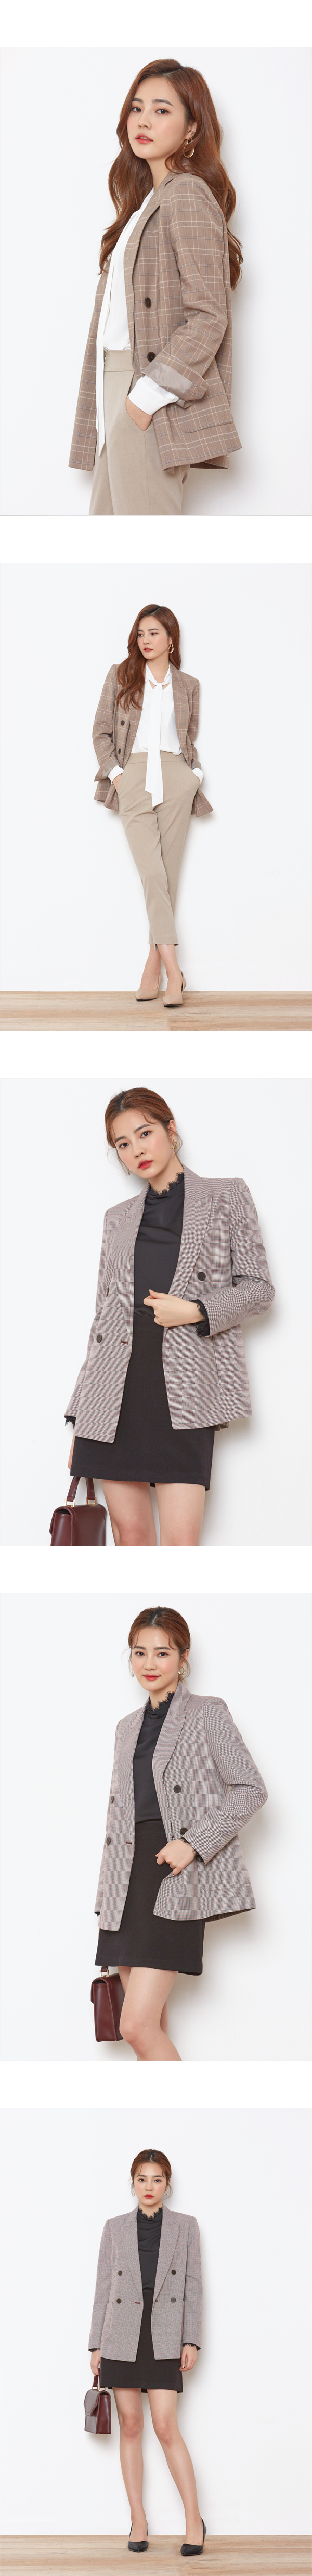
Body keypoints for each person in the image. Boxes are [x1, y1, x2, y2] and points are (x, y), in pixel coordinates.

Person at [65, 1085, 275, 1549]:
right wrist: (82, 1417)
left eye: (145, 1133)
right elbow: (102, 1320)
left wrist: (196, 1310)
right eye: (123, 1143)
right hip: (113, 1396)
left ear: (171, 1130)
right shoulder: (117, 1218)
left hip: (185, 1390)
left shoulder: (226, 1196)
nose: (136, 1150)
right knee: (132, 1538)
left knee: (181, 1544)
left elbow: (260, 1288)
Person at [94, 1604, 268, 2061]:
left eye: (162, 1652)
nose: (149, 1664)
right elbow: (121, 1816)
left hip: (172, 1873)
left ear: (183, 1656)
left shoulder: (207, 1712)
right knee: (147, 2028)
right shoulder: (126, 1728)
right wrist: (106, 1894)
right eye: (140, 1652)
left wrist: (192, 1844)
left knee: (136, 2025)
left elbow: (251, 1788)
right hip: (127, 1880)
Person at [69, 57, 242, 516]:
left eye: (162, 110)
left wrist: (144, 399)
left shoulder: (186, 193)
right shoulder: (144, 205)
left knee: (144, 542)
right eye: (137, 107)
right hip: (117, 387)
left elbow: (209, 315)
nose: (143, 120)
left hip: (146, 389)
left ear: (192, 129)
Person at [92, 601, 212, 1008]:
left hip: (177, 777)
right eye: (141, 633)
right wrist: (118, 776)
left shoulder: (189, 685)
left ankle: (151, 963)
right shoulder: (121, 676)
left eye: (154, 633)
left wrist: (195, 775)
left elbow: (188, 736)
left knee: (168, 874)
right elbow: (101, 731)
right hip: (134, 776)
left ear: (171, 639)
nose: (146, 640)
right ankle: (174, 971)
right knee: (152, 872)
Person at [89, 2145, 206, 2554]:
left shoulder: (186, 2226)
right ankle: (138, 2519)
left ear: (167, 2184)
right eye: (142, 2179)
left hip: (164, 2334)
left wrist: (190, 2338)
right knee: (131, 2426)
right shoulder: (114, 2227)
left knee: (166, 2427)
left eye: (157, 2179)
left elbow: (193, 2286)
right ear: (133, 2182)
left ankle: (194, 2519)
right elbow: (104, 2286)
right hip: (121, 2334)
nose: (149, 2186)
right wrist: (96, 2343)